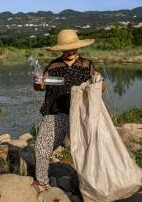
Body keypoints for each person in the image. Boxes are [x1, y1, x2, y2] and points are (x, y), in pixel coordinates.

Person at [32, 29, 102, 188]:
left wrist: (99, 83)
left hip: (79, 114)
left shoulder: (86, 65)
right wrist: (38, 83)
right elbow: (40, 87)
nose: (70, 51)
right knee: (41, 147)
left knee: (84, 151)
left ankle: (89, 184)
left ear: (78, 47)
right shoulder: (53, 65)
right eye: (66, 48)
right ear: (61, 49)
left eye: (73, 48)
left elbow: (100, 87)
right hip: (54, 113)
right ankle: (41, 181)